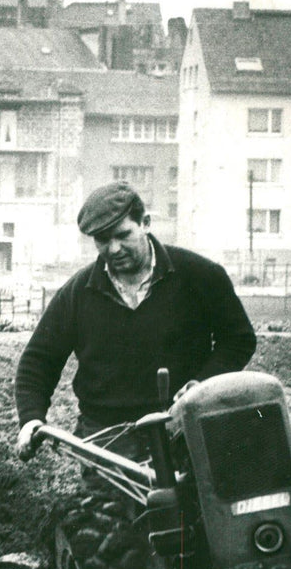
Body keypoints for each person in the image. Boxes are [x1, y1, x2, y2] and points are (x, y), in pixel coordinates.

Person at [15, 181, 256, 459]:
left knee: (194, 501)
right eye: (103, 240)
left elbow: (238, 339)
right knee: (107, 504)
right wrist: (31, 418)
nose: (114, 248)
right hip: (109, 440)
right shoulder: (78, 293)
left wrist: (201, 385)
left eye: (122, 235)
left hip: (185, 428)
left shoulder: (200, 275)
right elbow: (39, 360)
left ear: (146, 223)